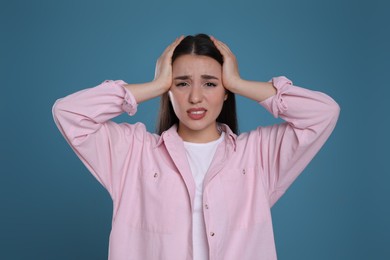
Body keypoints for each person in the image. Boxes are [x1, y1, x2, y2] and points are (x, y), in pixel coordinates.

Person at [52, 34, 340, 260]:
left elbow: (323, 112)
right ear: (169, 89)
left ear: (226, 91)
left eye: (211, 84)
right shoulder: (133, 154)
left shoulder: (256, 157)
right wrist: (155, 85)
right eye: (181, 83)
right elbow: (69, 113)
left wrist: (239, 83)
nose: (195, 97)